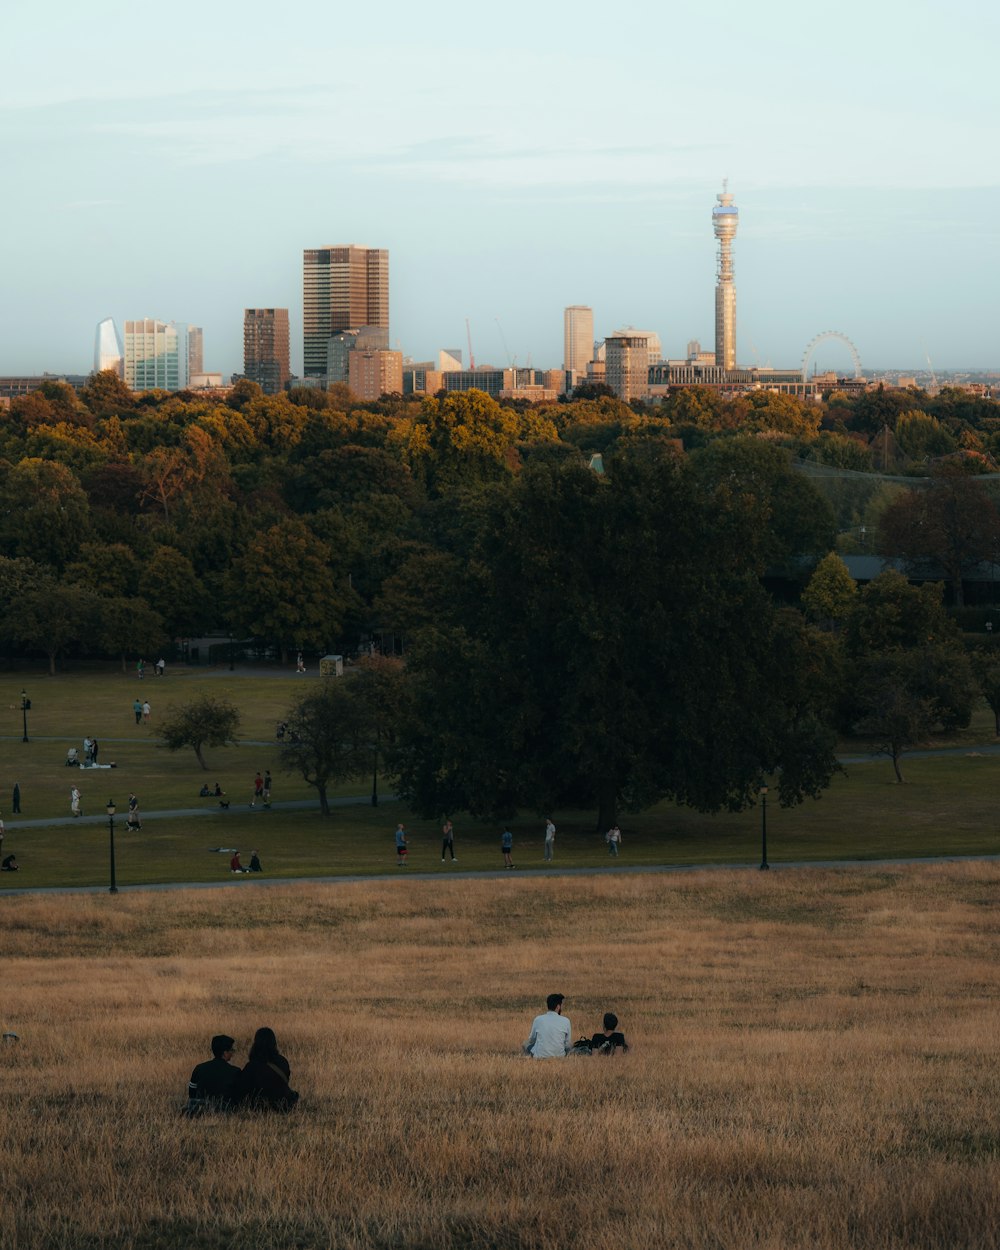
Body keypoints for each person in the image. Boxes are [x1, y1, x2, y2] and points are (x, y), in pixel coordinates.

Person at [232, 1027, 298, 1111]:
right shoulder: (283, 1061)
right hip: (283, 1105)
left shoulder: (252, 1066)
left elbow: (243, 1089)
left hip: (259, 1107)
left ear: (256, 1043)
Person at [186, 1034, 240, 1113]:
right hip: (225, 1113)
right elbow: (238, 1097)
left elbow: (192, 1094)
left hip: (201, 1111)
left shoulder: (199, 1068)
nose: (233, 1053)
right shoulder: (235, 1072)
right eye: (231, 1050)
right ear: (225, 1053)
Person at [523, 993, 571, 1059]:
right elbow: (567, 1044)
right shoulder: (566, 1021)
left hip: (540, 1056)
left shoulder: (538, 1019)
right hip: (560, 1056)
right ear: (558, 1006)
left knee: (525, 1044)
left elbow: (531, 1039)